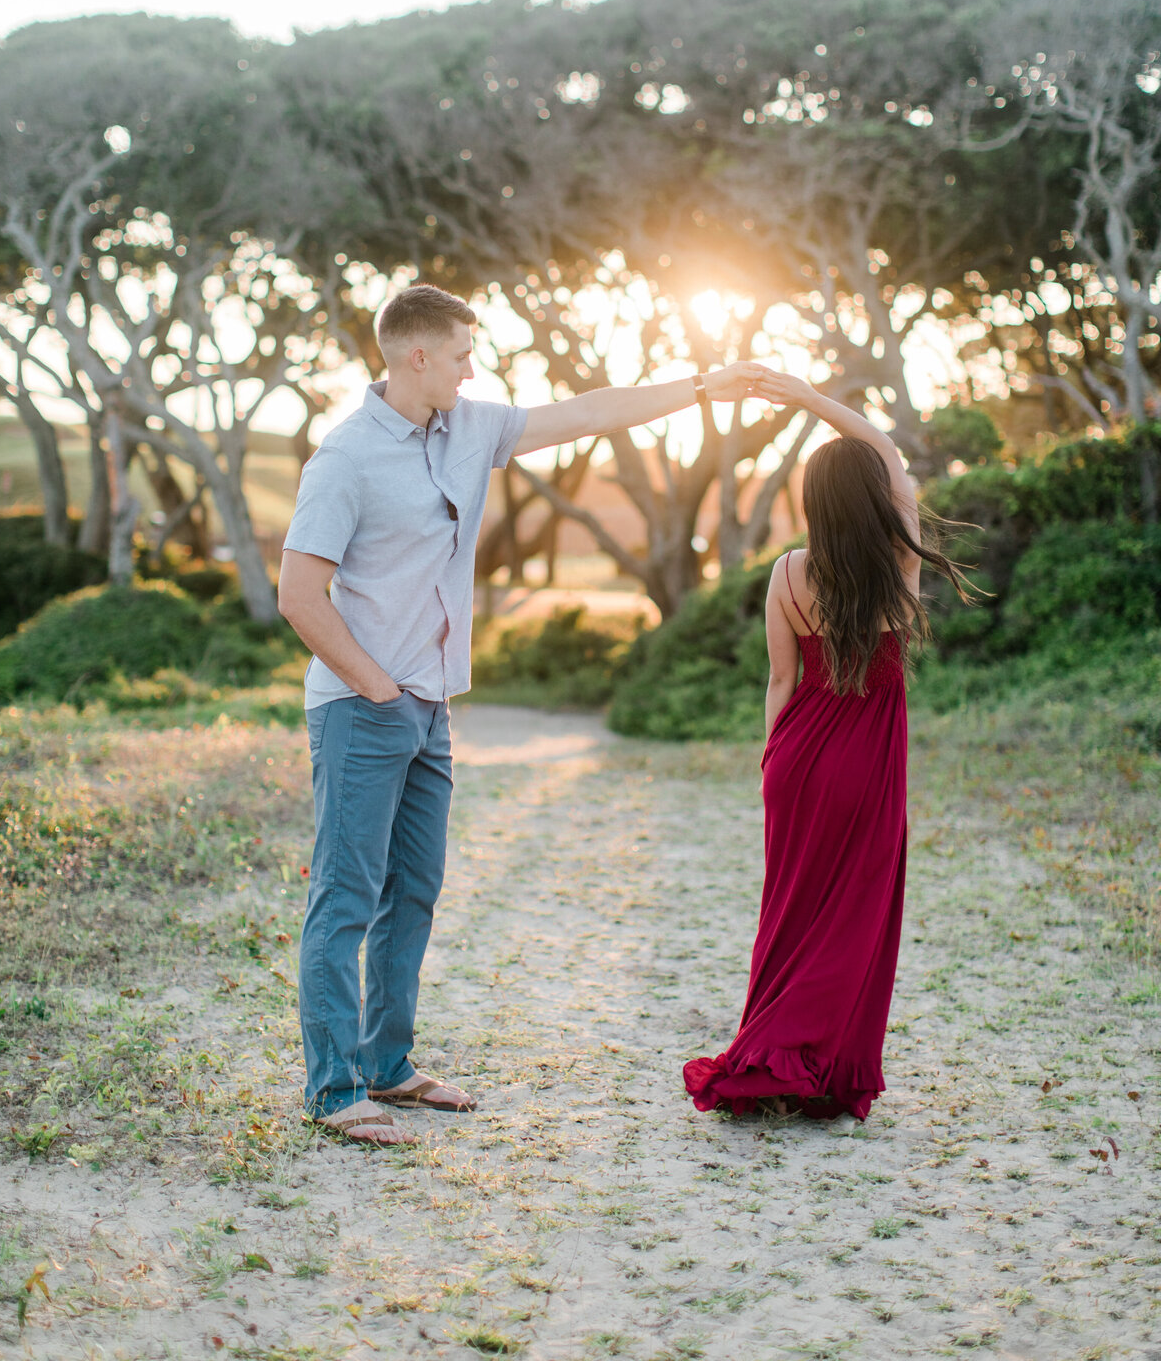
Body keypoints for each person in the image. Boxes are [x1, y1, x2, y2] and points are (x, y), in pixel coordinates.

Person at [279, 282, 766, 1145]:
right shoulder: (345, 458)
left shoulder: (472, 428)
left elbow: (585, 414)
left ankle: (387, 1068)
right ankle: (332, 1090)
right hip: (364, 707)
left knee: (415, 894)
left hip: (432, 706)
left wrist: (701, 387)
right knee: (345, 898)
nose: (474, 369)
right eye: (462, 354)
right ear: (416, 355)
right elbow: (299, 596)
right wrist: (378, 688)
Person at [683, 364, 970, 1124]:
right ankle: (819, 1067)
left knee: (790, 911)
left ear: (813, 504)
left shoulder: (786, 573)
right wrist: (811, 399)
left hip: (799, 758)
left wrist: (768, 760)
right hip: (866, 765)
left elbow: (781, 682)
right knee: (854, 921)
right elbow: (888, 452)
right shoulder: (897, 563)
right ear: (875, 500)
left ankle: (771, 1050)